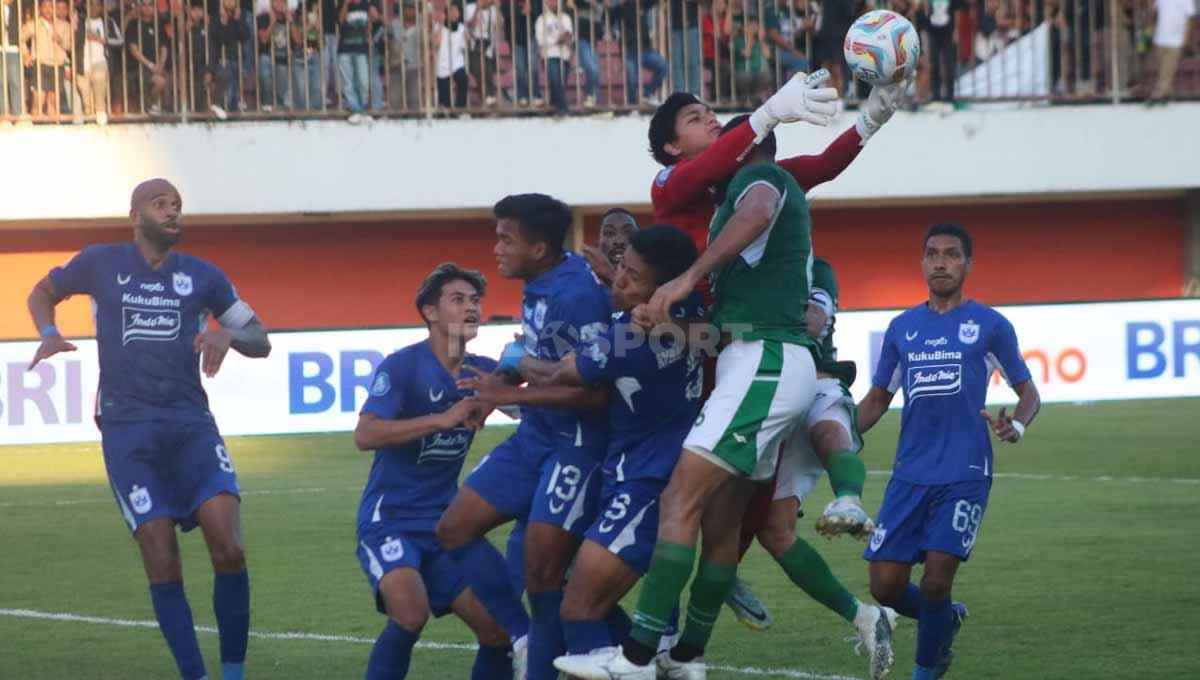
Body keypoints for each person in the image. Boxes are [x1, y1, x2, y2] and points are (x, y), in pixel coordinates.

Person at [555, 114, 891, 680]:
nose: (718, 144)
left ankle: (638, 656)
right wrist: (667, 323)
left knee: (679, 499)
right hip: (757, 360)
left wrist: (684, 281)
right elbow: (724, 329)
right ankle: (686, 657)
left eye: (727, 139)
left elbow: (759, 209)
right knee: (723, 526)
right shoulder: (744, 212)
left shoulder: (756, 183)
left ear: (746, 148)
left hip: (764, 366)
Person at [645, 73, 900, 631]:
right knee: (674, 491)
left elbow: (822, 165)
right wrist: (764, 116)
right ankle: (662, 615)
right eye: (695, 118)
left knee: (737, 507)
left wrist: (870, 119)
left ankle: (685, 621)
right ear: (669, 147)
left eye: (714, 112)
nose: (710, 118)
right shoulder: (672, 184)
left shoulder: (756, 179)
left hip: (741, 352)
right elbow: (709, 172)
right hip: (686, 352)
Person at [26, 178, 271, 680]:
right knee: (162, 558)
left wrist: (227, 332)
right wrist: (49, 332)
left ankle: (233, 674)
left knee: (229, 545)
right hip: (127, 431)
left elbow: (260, 337)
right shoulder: (100, 262)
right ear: (135, 216)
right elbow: (43, 291)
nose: (173, 211)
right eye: (161, 204)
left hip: (191, 426)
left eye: (178, 204)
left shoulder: (203, 276)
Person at [436, 193, 612, 680]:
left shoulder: (577, 296)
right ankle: (523, 636)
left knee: (542, 573)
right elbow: (546, 366)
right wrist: (500, 388)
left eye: (505, 239)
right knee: (454, 529)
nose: (495, 249)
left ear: (538, 249)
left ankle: (625, 648)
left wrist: (508, 394)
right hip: (536, 438)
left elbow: (595, 395)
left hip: (576, 446)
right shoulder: (539, 283)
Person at [857, 223, 1041, 680]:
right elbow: (878, 399)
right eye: (933, 254)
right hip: (909, 474)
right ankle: (946, 619)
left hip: (965, 471)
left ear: (967, 264)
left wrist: (1016, 424)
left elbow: (1029, 393)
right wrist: (834, 438)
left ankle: (926, 670)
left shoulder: (992, 326)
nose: (941, 262)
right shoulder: (902, 329)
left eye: (952, 254)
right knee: (885, 585)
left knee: (937, 579)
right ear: (922, 263)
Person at [515, 225, 704, 665]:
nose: (618, 280)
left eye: (632, 276)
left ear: (660, 290)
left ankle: (653, 660)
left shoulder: (628, 341)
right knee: (584, 600)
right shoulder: (686, 312)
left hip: (644, 482)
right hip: (644, 474)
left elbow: (566, 373)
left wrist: (514, 367)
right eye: (620, 267)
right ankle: (663, 653)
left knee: (578, 610)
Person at [353, 262, 524, 680]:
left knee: (497, 631)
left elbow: (527, 413)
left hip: (446, 525)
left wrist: (523, 367)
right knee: (410, 613)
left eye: (475, 301)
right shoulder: (402, 367)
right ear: (430, 312)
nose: (471, 309)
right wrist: (442, 419)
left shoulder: (481, 371)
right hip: (389, 518)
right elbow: (365, 433)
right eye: (458, 300)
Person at [580, 207, 640, 287]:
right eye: (609, 233)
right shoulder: (583, 278)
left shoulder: (652, 278)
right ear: (598, 242)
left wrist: (609, 274)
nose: (619, 241)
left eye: (628, 232)